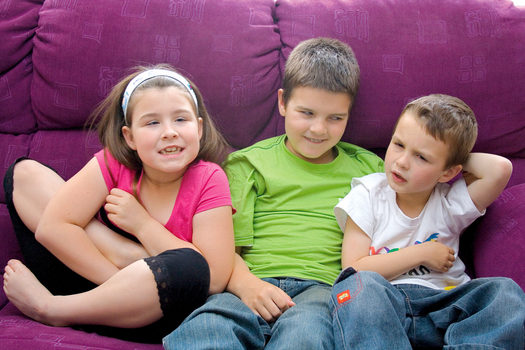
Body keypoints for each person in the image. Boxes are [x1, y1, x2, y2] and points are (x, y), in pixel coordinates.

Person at [164, 38, 384, 349]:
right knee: (207, 328)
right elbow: (227, 250)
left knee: (306, 337)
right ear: (283, 102)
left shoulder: (369, 168)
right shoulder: (248, 163)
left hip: (322, 289)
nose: (319, 129)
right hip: (249, 282)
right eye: (306, 113)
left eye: (335, 118)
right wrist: (247, 285)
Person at [2, 65, 235, 343]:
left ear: (198, 128)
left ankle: (51, 309)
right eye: (152, 122)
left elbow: (215, 279)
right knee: (26, 174)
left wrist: (142, 225)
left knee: (193, 266)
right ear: (129, 137)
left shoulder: (210, 177)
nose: (169, 132)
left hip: (156, 309)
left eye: (181, 120)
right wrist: (119, 280)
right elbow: (51, 229)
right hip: (89, 282)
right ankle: (113, 277)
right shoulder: (115, 162)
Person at [331, 94, 525, 349]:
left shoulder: (450, 204)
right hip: (385, 306)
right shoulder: (368, 193)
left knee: (505, 293)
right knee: (358, 288)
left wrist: (450, 156)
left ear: (448, 172)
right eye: (398, 144)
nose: (401, 162)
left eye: (421, 157)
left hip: (445, 305)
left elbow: (499, 169)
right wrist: (421, 253)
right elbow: (353, 269)